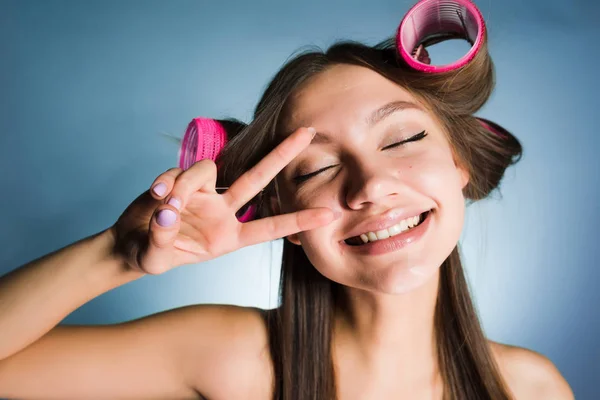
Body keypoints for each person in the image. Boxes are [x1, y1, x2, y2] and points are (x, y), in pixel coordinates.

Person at [0, 15, 574, 400]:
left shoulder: (535, 388)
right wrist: (116, 255)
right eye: (319, 168)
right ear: (286, 220)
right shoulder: (230, 360)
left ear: (460, 164)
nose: (370, 185)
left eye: (401, 140)